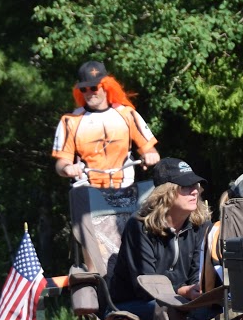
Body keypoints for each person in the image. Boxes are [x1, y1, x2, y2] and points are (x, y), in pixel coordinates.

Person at [106, 158, 218, 320]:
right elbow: (145, 284)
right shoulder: (139, 227)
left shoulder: (200, 226)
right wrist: (182, 291)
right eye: (186, 187)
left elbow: (198, 273)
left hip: (180, 299)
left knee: (209, 309)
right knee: (165, 310)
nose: (195, 191)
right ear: (166, 193)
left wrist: (197, 289)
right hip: (134, 301)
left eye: (195, 186)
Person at [51, 60, 161, 276]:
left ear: (107, 86)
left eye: (95, 87)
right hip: (90, 191)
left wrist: (149, 155)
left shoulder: (127, 115)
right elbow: (61, 163)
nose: (90, 92)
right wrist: (68, 169)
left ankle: (147, 276)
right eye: (84, 88)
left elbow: (150, 150)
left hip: (126, 189)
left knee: (146, 226)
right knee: (91, 239)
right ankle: (98, 281)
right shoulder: (71, 121)